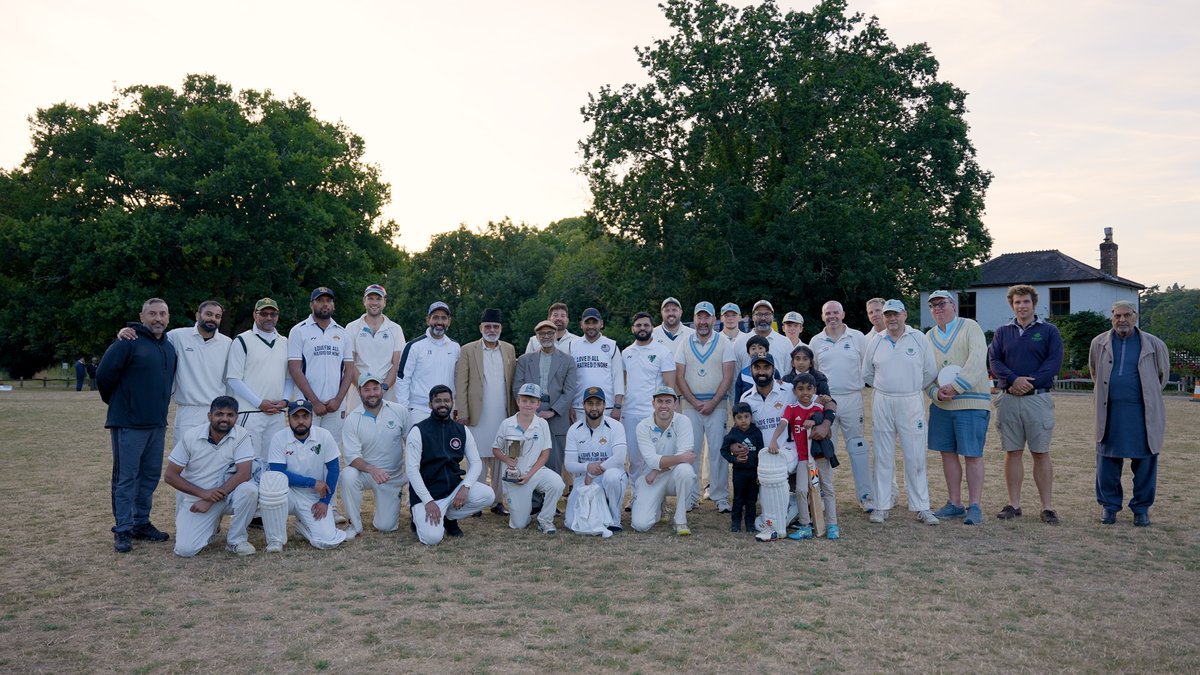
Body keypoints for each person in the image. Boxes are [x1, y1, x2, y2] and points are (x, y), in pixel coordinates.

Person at [97, 297, 177, 553]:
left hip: (156, 424)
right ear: (142, 317)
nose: (158, 318)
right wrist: (123, 403)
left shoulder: (168, 346)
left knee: (150, 476)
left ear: (168, 317)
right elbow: (104, 375)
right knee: (125, 478)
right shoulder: (127, 341)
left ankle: (141, 523)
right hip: (129, 424)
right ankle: (123, 529)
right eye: (152, 314)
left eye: (162, 314)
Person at [988, 284, 1064, 524]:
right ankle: (1013, 504)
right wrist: (1012, 380)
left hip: (1037, 399)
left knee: (1040, 452)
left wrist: (1027, 383)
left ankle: (1047, 507)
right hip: (1009, 399)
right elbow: (994, 360)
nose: (1022, 306)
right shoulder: (1002, 332)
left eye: (1026, 302)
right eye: (1017, 302)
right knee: (1013, 452)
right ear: (1012, 305)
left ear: (1034, 304)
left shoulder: (1049, 331)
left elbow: (1053, 363)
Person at [1089, 300, 1169, 527]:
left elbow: (1161, 377)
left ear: (1136, 316)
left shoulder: (1154, 344)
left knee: (1145, 461)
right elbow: (1095, 372)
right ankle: (1109, 507)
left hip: (1142, 414)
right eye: (1117, 316)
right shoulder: (1098, 343)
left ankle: (1141, 509)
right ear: (1111, 317)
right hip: (1110, 412)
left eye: (1127, 315)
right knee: (1107, 461)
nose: (1122, 320)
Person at [862, 300, 939, 526]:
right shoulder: (876, 341)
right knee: (883, 455)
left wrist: (909, 388)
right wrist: (888, 388)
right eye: (887, 315)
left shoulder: (918, 338)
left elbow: (929, 371)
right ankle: (882, 505)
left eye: (895, 314)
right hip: (883, 400)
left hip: (911, 400)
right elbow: (867, 373)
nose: (891, 319)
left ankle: (921, 506)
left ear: (905, 314)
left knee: (915, 455)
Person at [925, 290, 992, 526]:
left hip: (971, 402)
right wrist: (935, 392)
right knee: (947, 454)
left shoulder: (970, 327)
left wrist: (956, 387)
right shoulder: (929, 336)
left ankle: (974, 505)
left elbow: (976, 359)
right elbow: (927, 371)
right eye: (933, 306)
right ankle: (954, 503)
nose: (938, 309)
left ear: (953, 305)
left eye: (941, 304)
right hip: (943, 405)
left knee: (972, 455)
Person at [117, 299, 232, 434]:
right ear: (197, 315)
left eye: (217, 316)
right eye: (208, 314)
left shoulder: (228, 343)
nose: (212, 319)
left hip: (217, 410)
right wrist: (126, 330)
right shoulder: (177, 336)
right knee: (186, 454)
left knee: (217, 454)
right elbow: (152, 339)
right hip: (187, 411)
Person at [163, 396, 259, 557]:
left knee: (249, 490)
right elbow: (170, 475)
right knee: (185, 550)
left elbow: (244, 473)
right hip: (197, 500)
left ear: (237, 417)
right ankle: (213, 525)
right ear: (209, 416)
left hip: (227, 496)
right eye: (219, 414)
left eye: (230, 415)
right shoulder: (191, 436)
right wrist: (203, 494)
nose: (224, 419)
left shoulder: (241, 434)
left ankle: (236, 540)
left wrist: (209, 499)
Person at [405, 385, 495, 544]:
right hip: (428, 494)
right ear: (430, 404)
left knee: (488, 495)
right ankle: (418, 518)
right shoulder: (418, 431)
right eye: (437, 401)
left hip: (453, 490)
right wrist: (428, 501)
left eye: (446, 400)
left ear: (452, 402)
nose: (442, 404)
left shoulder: (461, 430)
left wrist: (465, 486)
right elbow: (412, 471)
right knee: (432, 539)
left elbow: (476, 463)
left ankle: (449, 517)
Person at [811, 300, 877, 512]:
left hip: (852, 398)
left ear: (843, 314)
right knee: (825, 449)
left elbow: (869, 366)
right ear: (823, 316)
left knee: (858, 447)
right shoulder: (816, 341)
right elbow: (814, 373)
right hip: (827, 401)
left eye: (835, 313)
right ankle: (823, 495)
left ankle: (866, 496)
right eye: (828, 313)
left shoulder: (857, 337)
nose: (832, 316)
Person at [261, 399, 348, 550]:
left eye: (305, 416)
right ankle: (275, 539)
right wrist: (312, 482)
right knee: (272, 488)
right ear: (289, 418)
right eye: (296, 417)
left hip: (314, 497)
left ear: (311, 418)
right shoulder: (279, 438)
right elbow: (278, 473)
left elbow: (334, 469)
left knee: (326, 541)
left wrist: (325, 501)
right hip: (287, 492)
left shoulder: (324, 435)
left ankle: (303, 525)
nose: (301, 421)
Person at [453, 308, 517, 515]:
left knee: (501, 458)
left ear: (501, 328)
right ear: (481, 328)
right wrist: (461, 410)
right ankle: (476, 500)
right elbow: (461, 383)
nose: (491, 330)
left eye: (495, 326)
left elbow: (513, 382)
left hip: (503, 413)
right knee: (476, 457)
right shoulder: (468, 349)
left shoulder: (509, 349)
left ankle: (497, 501)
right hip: (476, 413)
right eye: (488, 326)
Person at [673, 301, 735, 512]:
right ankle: (691, 497)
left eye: (706, 317)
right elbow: (679, 376)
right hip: (691, 406)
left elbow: (728, 375)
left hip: (717, 405)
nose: (702, 321)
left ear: (713, 320)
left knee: (718, 451)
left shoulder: (723, 341)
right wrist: (693, 401)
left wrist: (713, 402)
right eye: (699, 317)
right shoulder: (684, 342)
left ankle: (720, 497)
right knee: (691, 452)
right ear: (694, 318)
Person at [768, 373, 839, 540]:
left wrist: (814, 421)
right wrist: (773, 440)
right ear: (794, 391)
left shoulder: (819, 408)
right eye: (800, 389)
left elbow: (827, 431)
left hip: (820, 457)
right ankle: (805, 525)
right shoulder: (792, 409)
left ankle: (832, 525)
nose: (805, 393)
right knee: (801, 490)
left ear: (814, 390)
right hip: (803, 458)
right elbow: (783, 423)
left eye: (809, 389)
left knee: (827, 488)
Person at [340, 373, 410, 538]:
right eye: (367, 389)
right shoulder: (352, 419)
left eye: (375, 388)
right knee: (348, 475)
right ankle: (354, 525)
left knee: (385, 527)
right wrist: (372, 469)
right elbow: (352, 457)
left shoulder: (399, 411)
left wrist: (411, 473)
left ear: (382, 389)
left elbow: (412, 443)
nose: (372, 393)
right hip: (366, 473)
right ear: (359, 391)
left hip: (391, 477)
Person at [226, 297, 292, 465]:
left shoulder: (284, 342)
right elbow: (234, 379)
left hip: (277, 413)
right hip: (251, 412)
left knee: (274, 462)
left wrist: (284, 400)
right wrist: (258, 402)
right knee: (249, 463)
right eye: (264, 313)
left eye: (273, 314)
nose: (269, 317)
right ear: (255, 315)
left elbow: (289, 377)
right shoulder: (242, 340)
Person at [492, 384, 565, 534]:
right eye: (524, 400)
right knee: (519, 524)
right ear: (518, 401)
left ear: (538, 404)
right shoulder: (507, 424)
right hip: (514, 477)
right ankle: (525, 515)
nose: (528, 405)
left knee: (557, 483)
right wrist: (507, 459)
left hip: (535, 472)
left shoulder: (542, 424)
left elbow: (545, 453)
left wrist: (530, 474)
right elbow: (495, 449)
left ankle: (545, 520)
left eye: (532, 401)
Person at [513, 320, 578, 479]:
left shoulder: (568, 360)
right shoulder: (525, 360)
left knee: (554, 459)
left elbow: (569, 390)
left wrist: (553, 411)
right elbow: (517, 387)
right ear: (537, 336)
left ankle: (551, 500)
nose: (546, 336)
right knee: (527, 457)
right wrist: (528, 409)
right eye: (542, 334)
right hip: (529, 411)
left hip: (556, 413)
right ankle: (533, 501)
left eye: (550, 333)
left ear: (556, 335)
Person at [739, 353, 794, 542]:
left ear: (773, 369)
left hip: (790, 449)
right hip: (762, 457)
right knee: (765, 499)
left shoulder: (789, 390)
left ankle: (775, 528)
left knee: (774, 470)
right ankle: (788, 511)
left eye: (766, 367)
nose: (761, 372)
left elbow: (814, 399)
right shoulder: (746, 397)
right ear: (751, 370)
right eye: (757, 368)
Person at [287, 287, 353, 440]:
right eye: (320, 301)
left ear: (333, 305)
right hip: (307, 405)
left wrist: (338, 400)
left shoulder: (342, 333)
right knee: (306, 449)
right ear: (312, 304)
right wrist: (314, 402)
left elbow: (349, 371)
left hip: (335, 406)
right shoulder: (299, 331)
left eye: (328, 301)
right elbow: (295, 369)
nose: (325, 304)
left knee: (333, 450)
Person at [631, 387, 698, 535]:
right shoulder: (643, 426)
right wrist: (679, 458)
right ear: (653, 403)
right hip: (650, 479)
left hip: (673, 476)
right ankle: (659, 506)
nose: (663, 405)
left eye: (668, 401)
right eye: (659, 401)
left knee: (686, 471)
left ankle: (680, 520)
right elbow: (652, 460)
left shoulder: (684, 421)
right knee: (640, 525)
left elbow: (686, 459)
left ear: (676, 404)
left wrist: (656, 469)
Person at [621, 312, 677, 484]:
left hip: (651, 413)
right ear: (633, 328)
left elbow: (669, 386)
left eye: (646, 325)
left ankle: (655, 497)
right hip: (630, 413)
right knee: (634, 459)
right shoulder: (626, 353)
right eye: (638, 325)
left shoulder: (663, 352)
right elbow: (624, 383)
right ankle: (636, 495)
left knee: (652, 458)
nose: (642, 328)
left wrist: (664, 411)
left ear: (652, 327)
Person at [564, 386, 628, 531]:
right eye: (590, 403)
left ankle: (614, 520)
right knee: (570, 523)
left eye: (598, 404)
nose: (594, 408)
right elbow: (569, 464)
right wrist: (587, 467)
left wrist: (593, 472)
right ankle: (600, 506)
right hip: (583, 480)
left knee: (613, 477)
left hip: (608, 476)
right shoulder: (574, 429)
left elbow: (619, 458)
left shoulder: (616, 426)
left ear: (604, 405)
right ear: (583, 405)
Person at [396, 301, 461, 421]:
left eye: (444, 318)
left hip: (446, 411)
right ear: (428, 320)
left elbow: (458, 380)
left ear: (449, 322)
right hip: (419, 411)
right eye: (435, 317)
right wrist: (403, 411)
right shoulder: (413, 346)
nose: (440, 322)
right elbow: (402, 379)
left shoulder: (455, 347)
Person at [345, 284, 406, 406]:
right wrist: (364, 388)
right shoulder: (351, 328)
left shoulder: (395, 329)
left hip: (387, 393)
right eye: (370, 298)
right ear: (364, 301)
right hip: (359, 393)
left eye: (378, 299)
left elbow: (397, 364)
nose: (374, 302)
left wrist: (383, 388)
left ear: (384, 302)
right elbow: (349, 363)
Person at [566, 307, 625, 423]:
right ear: (581, 324)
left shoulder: (611, 346)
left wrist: (617, 406)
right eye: (587, 322)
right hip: (579, 407)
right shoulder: (572, 346)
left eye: (595, 322)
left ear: (601, 324)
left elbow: (618, 378)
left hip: (607, 407)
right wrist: (569, 406)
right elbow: (567, 380)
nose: (591, 326)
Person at [719, 402, 762, 533]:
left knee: (751, 500)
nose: (743, 420)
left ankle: (750, 524)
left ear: (751, 417)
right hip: (739, 472)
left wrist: (760, 471)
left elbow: (761, 452)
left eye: (746, 416)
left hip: (754, 472)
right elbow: (723, 451)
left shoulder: (756, 432)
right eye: (739, 417)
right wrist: (735, 459)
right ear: (734, 419)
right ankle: (735, 524)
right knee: (738, 499)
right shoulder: (732, 434)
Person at [732, 300, 793, 376]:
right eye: (759, 314)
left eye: (767, 314)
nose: (763, 318)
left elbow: (789, 373)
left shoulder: (785, 343)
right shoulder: (739, 343)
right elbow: (735, 376)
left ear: (772, 316)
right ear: (753, 317)